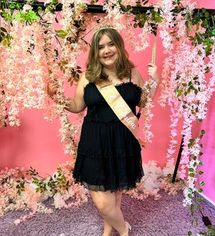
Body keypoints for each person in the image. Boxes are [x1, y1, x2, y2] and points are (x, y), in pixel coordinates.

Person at [47, 27, 159, 236]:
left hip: (123, 140)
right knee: (102, 202)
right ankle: (124, 230)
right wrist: (56, 96)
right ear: (95, 52)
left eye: (110, 44)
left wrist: (156, 80)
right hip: (95, 143)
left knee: (114, 190)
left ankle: (109, 229)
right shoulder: (89, 76)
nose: (106, 50)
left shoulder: (133, 72)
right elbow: (76, 105)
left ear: (119, 46)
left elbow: (144, 101)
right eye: (100, 47)